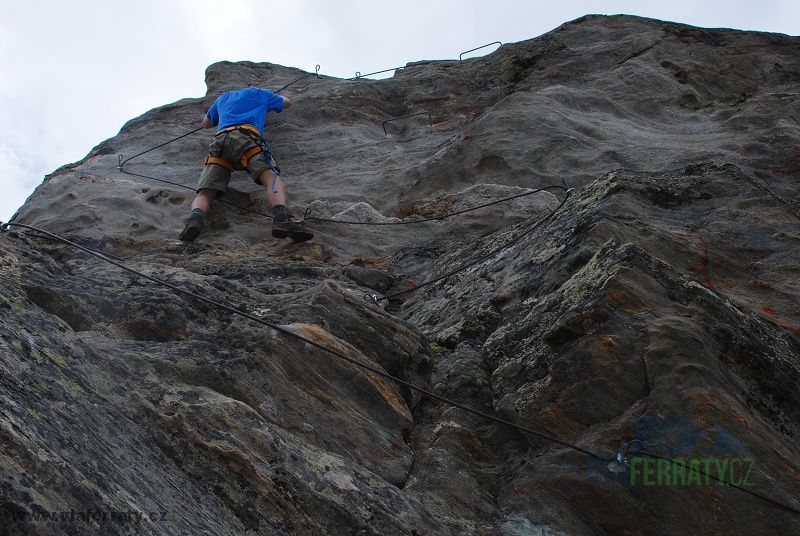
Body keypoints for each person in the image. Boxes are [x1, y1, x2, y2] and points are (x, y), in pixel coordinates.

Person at [179, 86, 313, 242]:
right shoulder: (259, 93)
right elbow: (287, 102)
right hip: (247, 138)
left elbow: (206, 123)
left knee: (206, 191)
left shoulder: (223, 98)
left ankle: (195, 219)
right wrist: (268, 103)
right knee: (270, 177)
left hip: (221, 141)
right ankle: (281, 219)